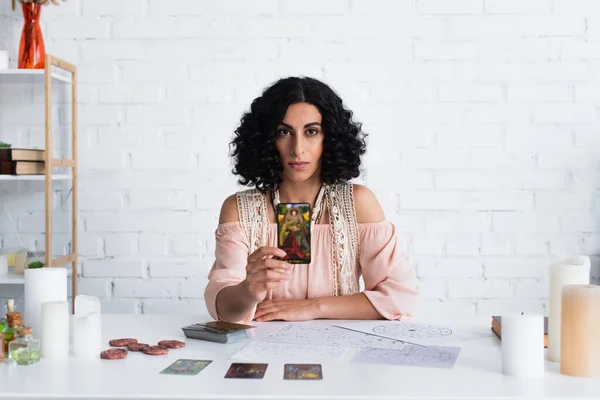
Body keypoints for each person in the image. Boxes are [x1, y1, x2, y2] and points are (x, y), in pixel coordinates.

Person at [204, 77, 419, 323]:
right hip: (261, 349)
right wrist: (247, 290)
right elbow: (223, 312)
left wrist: (313, 307)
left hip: (339, 351)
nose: (297, 148)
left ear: (330, 138)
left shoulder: (358, 204)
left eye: (311, 131)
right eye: (284, 132)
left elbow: (402, 300)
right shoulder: (238, 210)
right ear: (266, 139)